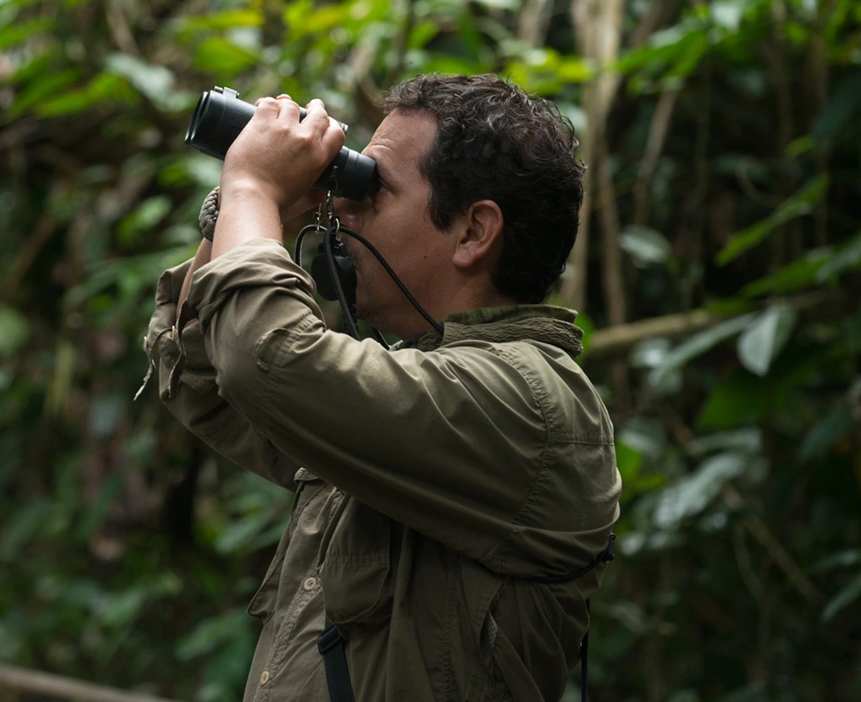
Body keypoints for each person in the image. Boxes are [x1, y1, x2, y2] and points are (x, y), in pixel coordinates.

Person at [138, 73, 621, 702]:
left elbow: (265, 360)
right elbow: (204, 370)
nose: (342, 207)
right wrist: (246, 211)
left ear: (474, 232)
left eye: (374, 188)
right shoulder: (421, 382)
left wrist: (253, 186)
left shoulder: (527, 401)